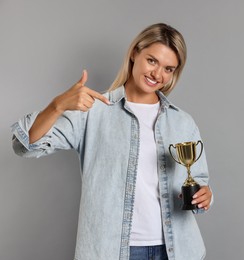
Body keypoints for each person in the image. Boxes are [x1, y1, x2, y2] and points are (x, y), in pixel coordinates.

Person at [11, 23, 212, 260]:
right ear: (135, 53)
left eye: (168, 69)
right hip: (112, 251)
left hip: (176, 250)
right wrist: (58, 106)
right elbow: (24, 145)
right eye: (152, 61)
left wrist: (204, 195)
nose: (158, 75)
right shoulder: (94, 112)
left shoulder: (182, 122)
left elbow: (198, 181)